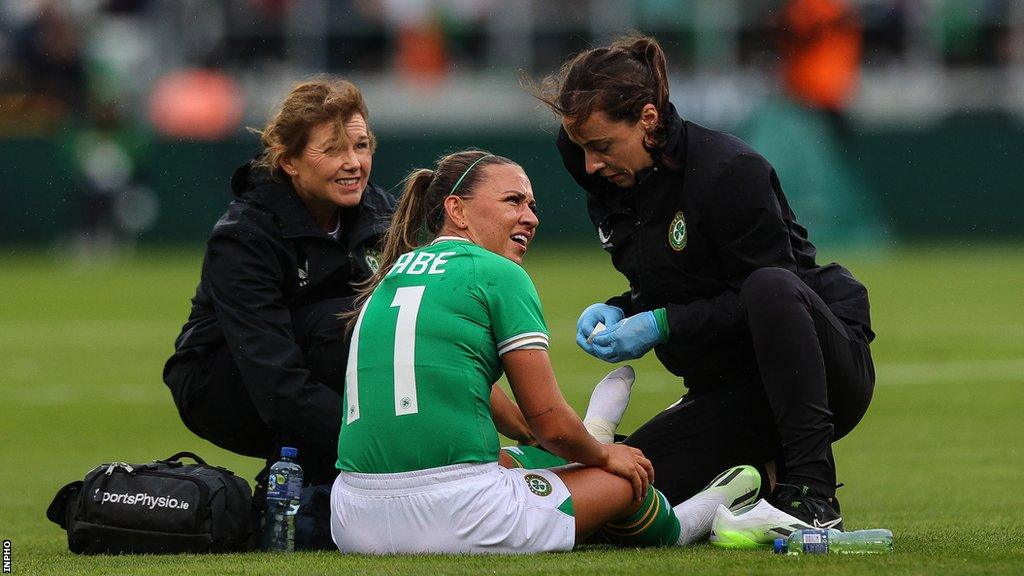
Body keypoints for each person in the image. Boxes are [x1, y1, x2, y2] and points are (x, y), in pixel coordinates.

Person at [329, 149, 761, 554]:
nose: (530, 217)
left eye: (532, 206)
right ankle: (692, 519)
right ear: (456, 209)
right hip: (458, 516)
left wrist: (537, 439)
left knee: (522, 458)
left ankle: (593, 434)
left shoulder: (389, 277)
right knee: (624, 482)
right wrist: (603, 454)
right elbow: (551, 424)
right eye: (513, 201)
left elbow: (454, 382)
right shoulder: (499, 273)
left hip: (351, 517)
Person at [534, 33, 875, 530]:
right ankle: (754, 481)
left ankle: (813, 498)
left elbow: (773, 298)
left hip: (820, 371)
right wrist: (623, 308)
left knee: (768, 287)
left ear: (648, 119)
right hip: (726, 390)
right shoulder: (605, 174)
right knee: (617, 502)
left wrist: (662, 324)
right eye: (582, 148)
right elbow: (676, 279)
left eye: (602, 147)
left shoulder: (729, 171)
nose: (590, 165)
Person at [162, 78, 395, 486]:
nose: (353, 163)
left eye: (361, 146)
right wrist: (372, 444)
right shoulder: (244, 235)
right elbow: (272, 373)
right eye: (333, 149)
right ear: (289, 161)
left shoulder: (380, 214)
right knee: (340, 323)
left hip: (308, 365)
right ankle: (299, 490)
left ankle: (320, 489)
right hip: (223, 381)